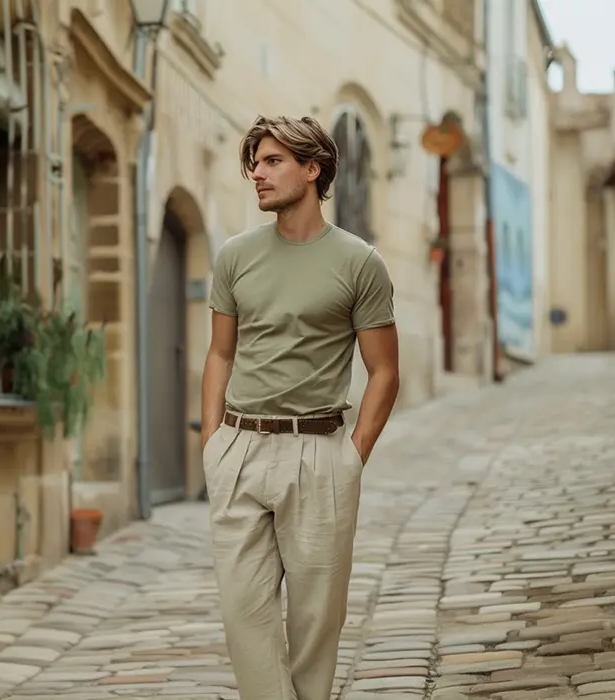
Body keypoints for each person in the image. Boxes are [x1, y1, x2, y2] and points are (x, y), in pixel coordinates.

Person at [201, 115, 400, 700]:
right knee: (245, 614)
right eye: (255, 164)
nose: (257, 175)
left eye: (272, 162)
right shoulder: (234, 257)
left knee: (316, 619)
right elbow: (219, 354)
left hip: (319, 454)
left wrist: (352, 457)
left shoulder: (360, 262)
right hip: (240, 449)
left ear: (313, 170)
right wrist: (213, 442)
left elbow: (384, 369)